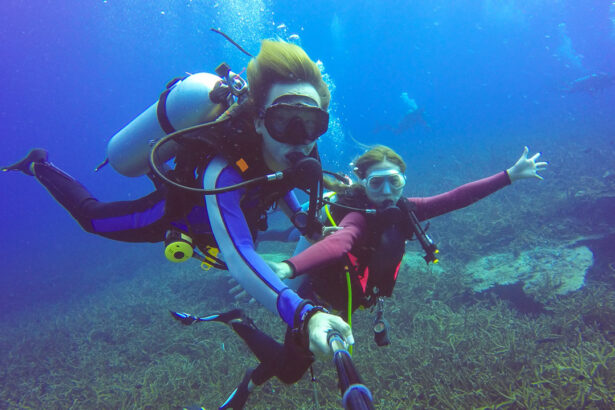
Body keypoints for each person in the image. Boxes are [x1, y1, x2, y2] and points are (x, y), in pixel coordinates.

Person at [2, 39, 354, 386]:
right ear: (260, 121)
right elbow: (238, 254)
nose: (299, 137)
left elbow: (277, 183)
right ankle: (40, 166)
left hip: (234, 216)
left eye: (311, 123)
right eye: (284, 120)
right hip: (181, 215)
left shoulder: (302, 151)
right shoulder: (223, 172)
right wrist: (303, 313)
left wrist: (297, 218)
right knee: (92, 218)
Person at [178, 144, 547, 408]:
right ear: (363, 183)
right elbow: (340, 243)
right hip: (319, 301)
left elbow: (456, 197)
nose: (386, 193)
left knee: (295, 361)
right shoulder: (356, 214)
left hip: (350, 300)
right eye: (376, 184)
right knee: (292, 371)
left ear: (404, 181)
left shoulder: (408, 210)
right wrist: (289, 268)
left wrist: (510, 175)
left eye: (395, 182)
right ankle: (238, 323)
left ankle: (254, 376)